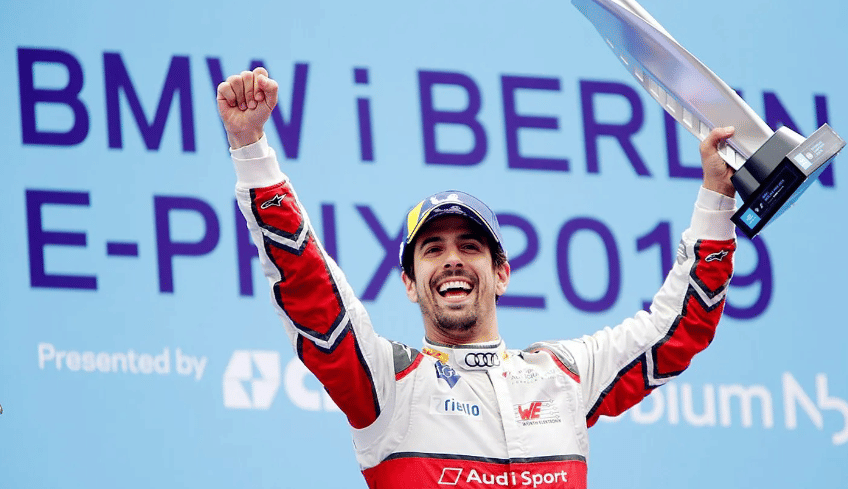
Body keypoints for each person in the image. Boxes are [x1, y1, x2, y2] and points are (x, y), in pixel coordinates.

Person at [217, 67, 737, 488]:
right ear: (409, 283)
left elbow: (677, 329)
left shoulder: (563, 376)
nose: (452, 260)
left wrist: (717, 195)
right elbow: (311, 288)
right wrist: (251, 149)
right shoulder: (390, 388)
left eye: (470, 246)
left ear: (501, 274)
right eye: (432, 250)